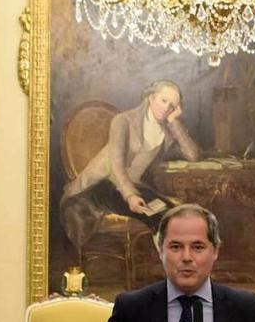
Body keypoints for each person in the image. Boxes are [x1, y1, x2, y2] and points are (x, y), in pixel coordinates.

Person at [102, 204, 255, 322]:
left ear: (215, 251)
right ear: (160, 250)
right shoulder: (130, 309)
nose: (186, 257)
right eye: (176, 247)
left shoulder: (247, 310)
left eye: (197, 247)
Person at [61, 80, 201, 250]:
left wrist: (173, 121)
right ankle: (170, 262)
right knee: (158, 218)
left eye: (172, 105)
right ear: (151, 97)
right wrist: (130, 196)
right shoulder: (124, 121)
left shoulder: (165, 130)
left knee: (173, 215)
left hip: (130, 186)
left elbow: (193, 155)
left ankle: (174, 263)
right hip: (99, 187)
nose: (166, 108)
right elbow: (116, 164)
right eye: (164, 101)